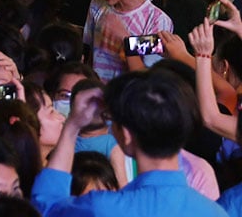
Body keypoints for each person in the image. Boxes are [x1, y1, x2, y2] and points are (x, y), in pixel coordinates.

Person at [30, 68, 228, 216]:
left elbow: (46, 206)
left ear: (126, 135)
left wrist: (72, 126)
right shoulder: (216, 212)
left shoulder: (102, 209)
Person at [83, 0, 173, 81]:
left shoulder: (157, 20)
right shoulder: (97, 5)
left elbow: (146, 75)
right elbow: (92, 52)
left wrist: (124, 37)